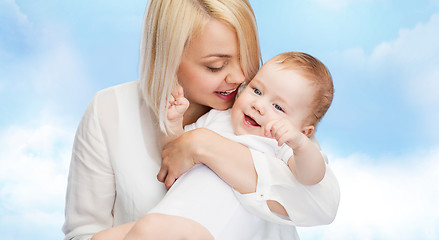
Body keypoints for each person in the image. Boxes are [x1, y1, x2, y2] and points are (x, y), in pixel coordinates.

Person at [63, 0, 340, 239]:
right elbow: (173, 152)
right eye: (215, 66)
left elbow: (321, 203)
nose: (241, 77)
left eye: (246, 57)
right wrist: (177, 130)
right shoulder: (109, 110)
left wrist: (203, 145)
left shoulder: (277, 121)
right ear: (168, 58)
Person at [99, 51, 335, 240]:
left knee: (150, 228)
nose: (259, 105)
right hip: (172, 213)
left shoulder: (280, 146)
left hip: (208, 228)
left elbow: (311, 177)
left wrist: (301, 145)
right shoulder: (217, 119)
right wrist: (173, 124)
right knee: (104, 237)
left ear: (305, 131)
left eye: (279, 107)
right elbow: (175, 153)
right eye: (256, 90)